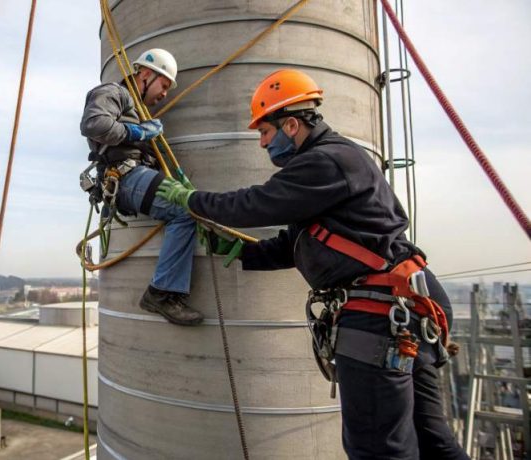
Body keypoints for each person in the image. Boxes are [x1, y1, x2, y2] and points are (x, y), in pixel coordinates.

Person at [156, 69, 468, 459]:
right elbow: (298, 243)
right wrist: (243, 252)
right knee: (430, 438)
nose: (262, 144)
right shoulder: (330, 165)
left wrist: (190, 199)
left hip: (382, 313)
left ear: (291, 124)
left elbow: (255, 203)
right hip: (406, 304)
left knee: (378, 448)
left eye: (265, 133)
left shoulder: (326, 161)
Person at [80, 48, 203, 326]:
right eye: (164, 85)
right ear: (146, 74)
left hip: (133, 175)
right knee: (185, 210)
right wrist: (135, 132)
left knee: (187, 204)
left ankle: (163, 292)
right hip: (123, 177)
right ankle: (160, 294)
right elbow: (93, 123)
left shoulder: (137, 109)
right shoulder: (115, 92)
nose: (164, 95)